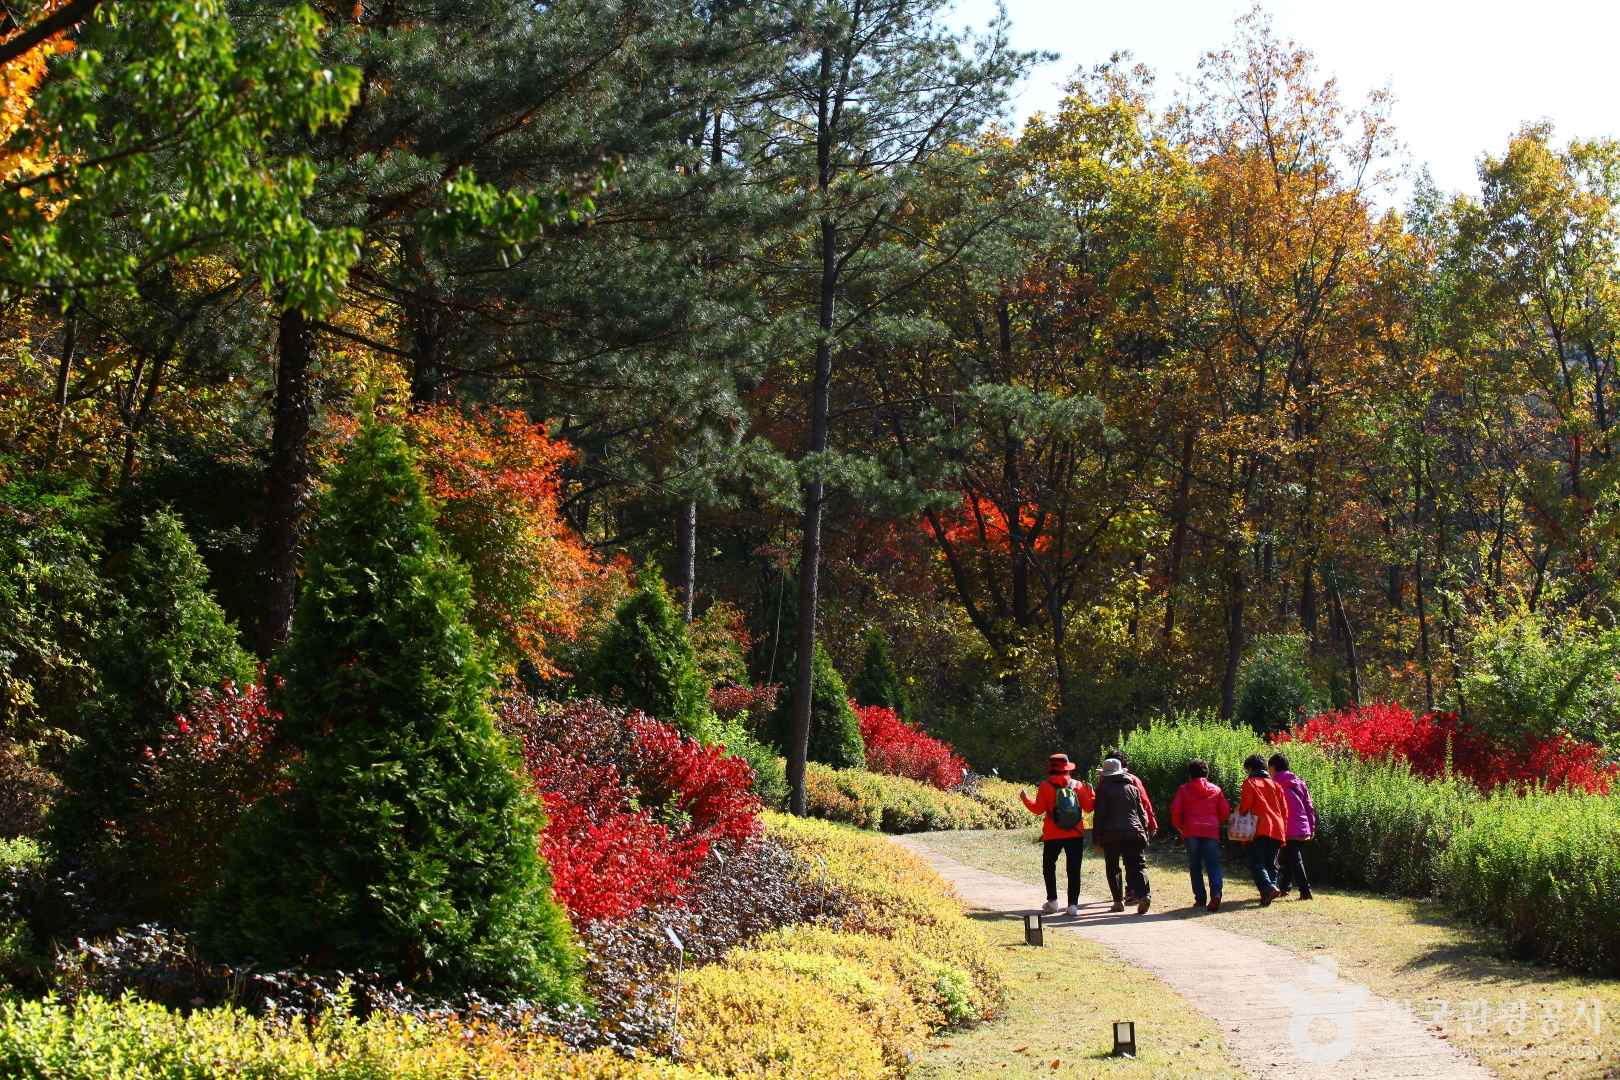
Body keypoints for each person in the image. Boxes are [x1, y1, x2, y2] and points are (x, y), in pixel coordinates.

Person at [1019, 753, 1096, 916]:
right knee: (1074, 869)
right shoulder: (1077, 785)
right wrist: (1092, 793)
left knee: (1049, 866)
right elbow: (1089, 808)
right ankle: (1073, 905)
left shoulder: (1045, 786)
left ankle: (1053, 901)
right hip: (1075, 833)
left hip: (1052, 834)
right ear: (1067, 768)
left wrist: (1025, 799)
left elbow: (1038, 809)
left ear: (1051, 768)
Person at [1093, 757, 1152, 914]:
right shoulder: (1132, 788)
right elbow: (1142, 814)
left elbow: (1099, 816)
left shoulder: (1103, 789)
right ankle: (1144, 895)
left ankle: (1118, 902)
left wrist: (1096, 839)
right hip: (1134, 832)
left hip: (1111, 835)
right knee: (1137, 865)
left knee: (1113, 868)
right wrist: (1145, 833)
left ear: (1105, 774)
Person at [1170, 759, 1230, 911]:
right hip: (1211, 830)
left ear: (1190, 774)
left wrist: (1180, 827)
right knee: (1213, 864)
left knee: (1195, 865)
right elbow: (1225, 811)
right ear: (1206, 773)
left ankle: (1200, 899)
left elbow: (1176, 810)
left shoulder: (1184, 789)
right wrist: (1216, 822)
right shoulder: (1216, 790)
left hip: (1191, 830)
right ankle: (1216, 894)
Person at [1236, 753, 1289, 905]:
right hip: (1277, 828)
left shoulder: (1250, 783)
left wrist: (1239, 811)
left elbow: (1246, 806)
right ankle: (1268, 895)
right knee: (1270, 864)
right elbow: (1285, 811)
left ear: (1251, 768)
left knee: (1256, 862)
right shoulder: (1276, 785)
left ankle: (1268, 888)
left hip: (1259, 828)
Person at [1269, 752, 1317, 900]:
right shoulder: (1299, 783)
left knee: (1294, 860)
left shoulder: (1274, 784)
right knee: (1288, 859)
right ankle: (1284, 888)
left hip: (1287, 828)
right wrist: (1311, 827)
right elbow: (1309, 806)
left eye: (1269, 768)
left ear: (1273, 768)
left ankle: (1305, 891)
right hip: (1302, 827)